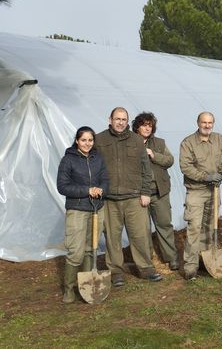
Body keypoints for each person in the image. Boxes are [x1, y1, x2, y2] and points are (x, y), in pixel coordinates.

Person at [96, 107, 162, 286]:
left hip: (134, 198)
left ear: (127, 121)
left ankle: (146, 268)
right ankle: (116, 271)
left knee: (140, 235)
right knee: (112, 237)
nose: (120, 122)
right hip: (109, 199)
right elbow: (93, 167)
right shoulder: (99, 140)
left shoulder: (136, 140)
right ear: (110, 119)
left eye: (124, 119)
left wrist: (146, 192)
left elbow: (145, 169)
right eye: (117, 119)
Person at [56, 126, 109, 304]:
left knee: (91, 248)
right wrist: (87, 190)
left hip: (96, 208)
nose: (87, 143)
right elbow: (62, 186)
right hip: (77, 210)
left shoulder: (98, 158)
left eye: (90, 140)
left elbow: (105, 179)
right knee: (76, 251)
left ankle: (85, 286)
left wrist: (101, 189)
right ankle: (69, 289)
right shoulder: (68, 160)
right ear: (77, 141)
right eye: (84, 140)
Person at [178, 111, 222, 280]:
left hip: (213, 191)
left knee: (209, 227)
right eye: (204, 122)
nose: (207, 125)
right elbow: (186, 167)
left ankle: (206, 260)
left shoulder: (218, 139)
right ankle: (191, 267)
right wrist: (206, 177)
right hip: (196, 191)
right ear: (198, 123)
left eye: (210, 123)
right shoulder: (188, 143)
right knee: (194, 228)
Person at [132, 112, 179, 272]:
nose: (147, 128)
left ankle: (171, 258)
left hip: (160, 191)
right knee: (142, 229)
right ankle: (148, 260)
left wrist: (154, 155)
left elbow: (170, 160)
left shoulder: (159, 143)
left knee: (164, 225)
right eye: (144, 125)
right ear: (137, 127)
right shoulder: (130, 143)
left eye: (150, 125)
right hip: (139, 193)